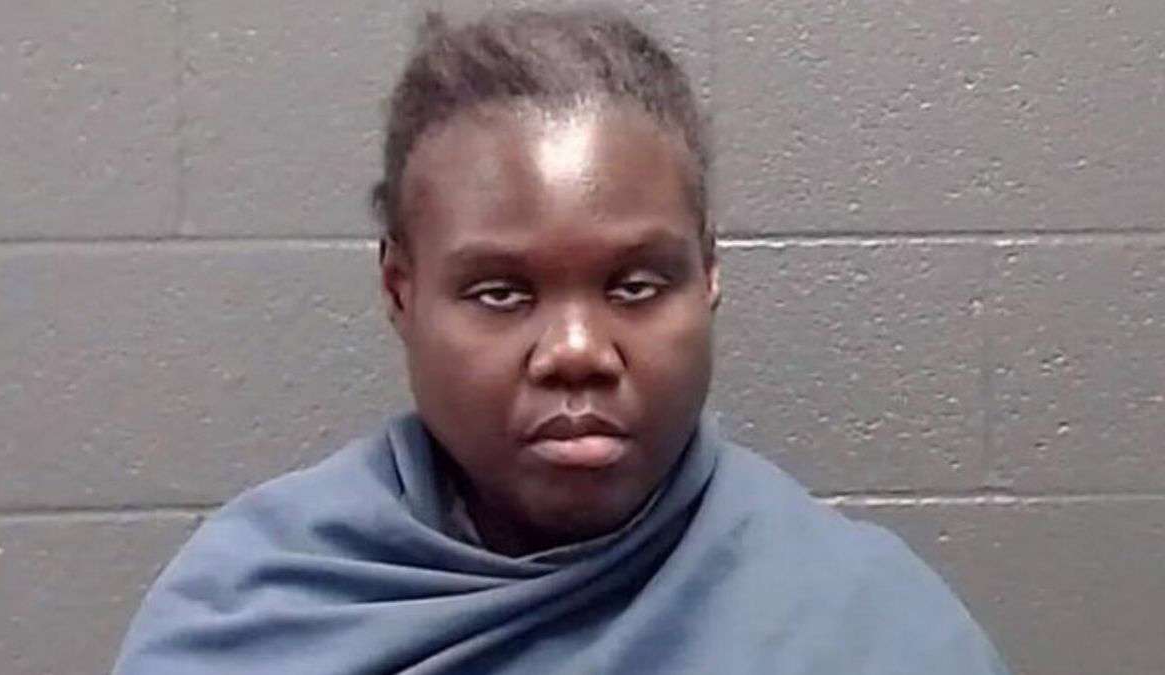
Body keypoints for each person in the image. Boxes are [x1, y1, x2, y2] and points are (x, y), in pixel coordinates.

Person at [113, 8, 1009, 674]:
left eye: (635, 286)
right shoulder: (254, 608)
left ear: (708, 274)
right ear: (400, 290)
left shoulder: (866, 625)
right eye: (501, 293)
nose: (577, 349)